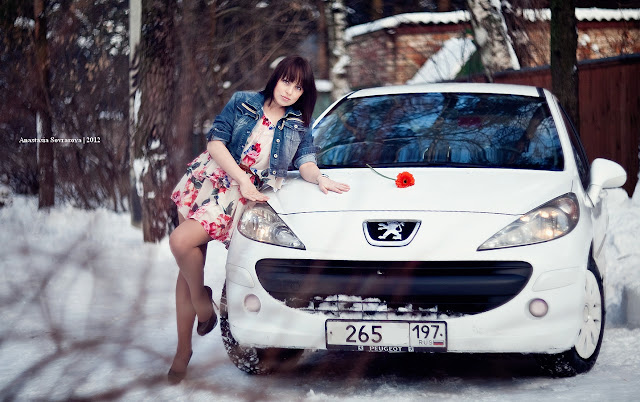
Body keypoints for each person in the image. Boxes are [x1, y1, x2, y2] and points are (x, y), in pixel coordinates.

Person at [166, 55, 350, 384]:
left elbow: (306, 162)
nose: (289, 91)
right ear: (276, 78)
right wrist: (241, 178)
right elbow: (216, 142)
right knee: (187, 258)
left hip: (239, 198)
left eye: (298, 87)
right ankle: (186, 344)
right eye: (286, 81)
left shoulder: (298, 125)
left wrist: (319, 178)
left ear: (304, 93)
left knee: (181, 242)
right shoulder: (243, 102)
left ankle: (203, 307)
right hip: (209, 179)